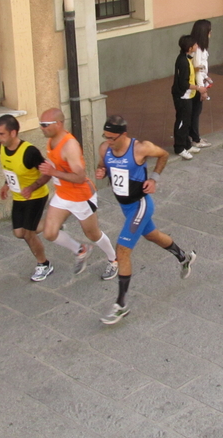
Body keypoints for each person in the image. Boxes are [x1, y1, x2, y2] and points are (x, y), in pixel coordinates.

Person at [95, 115, 197, 324]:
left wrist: (154, 179)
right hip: (125, 207)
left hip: (141, 204)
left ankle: (121, 305)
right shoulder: (104, 148)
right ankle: (184, 257)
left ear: (123, 134)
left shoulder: (140, 148)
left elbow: (163, 155)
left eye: (112, 137)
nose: (108, 141)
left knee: (122, 250)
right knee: (152, 235)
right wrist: (101, 171)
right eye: (106, 137)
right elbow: (104, 167)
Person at [37, 108, 119, 280]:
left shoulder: (69, 146)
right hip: (63, 194)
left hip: (81, 197)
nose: (42, 128)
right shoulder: (51, 141)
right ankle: (80, 250)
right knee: (50, 232)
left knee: (93, 233)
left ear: (58, 124)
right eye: (40, 124)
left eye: (45, 125)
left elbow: (80, 177)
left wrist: (53, 172)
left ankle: (114, 259)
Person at [0, 114, 53, 281]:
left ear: (13, 133)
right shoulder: (1, 147)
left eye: (1, 134)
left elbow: (47, 174)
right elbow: (11, 169)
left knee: (28, 234)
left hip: (35, 196)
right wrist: (6, 184)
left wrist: (32, 188)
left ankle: (44, 264)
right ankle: (53, 224)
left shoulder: (30, 152)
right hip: (18, 196)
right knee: (18, 233)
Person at [171, 35, 207, 160]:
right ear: (190, 47)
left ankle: (187, 145)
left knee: (187, 121)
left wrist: (197, 69)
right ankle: (179, 148)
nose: (197, 46)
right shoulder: (183, 61)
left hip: (188, 96)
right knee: (182, 122)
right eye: (195, 45)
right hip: (182, 96)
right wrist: (199, 88)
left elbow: (188, 73)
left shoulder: (187, 58)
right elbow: (183, 83)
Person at [189, 19, 213, 149]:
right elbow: (197, 69)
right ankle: (195, 139)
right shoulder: (198, 49)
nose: (211, 32)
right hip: (196, 84)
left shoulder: (198, 47)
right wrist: (202, 89)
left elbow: (201, 69)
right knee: (195, 111)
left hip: (199, 81)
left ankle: (194, 136)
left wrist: (206, 76)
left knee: (195, 111)